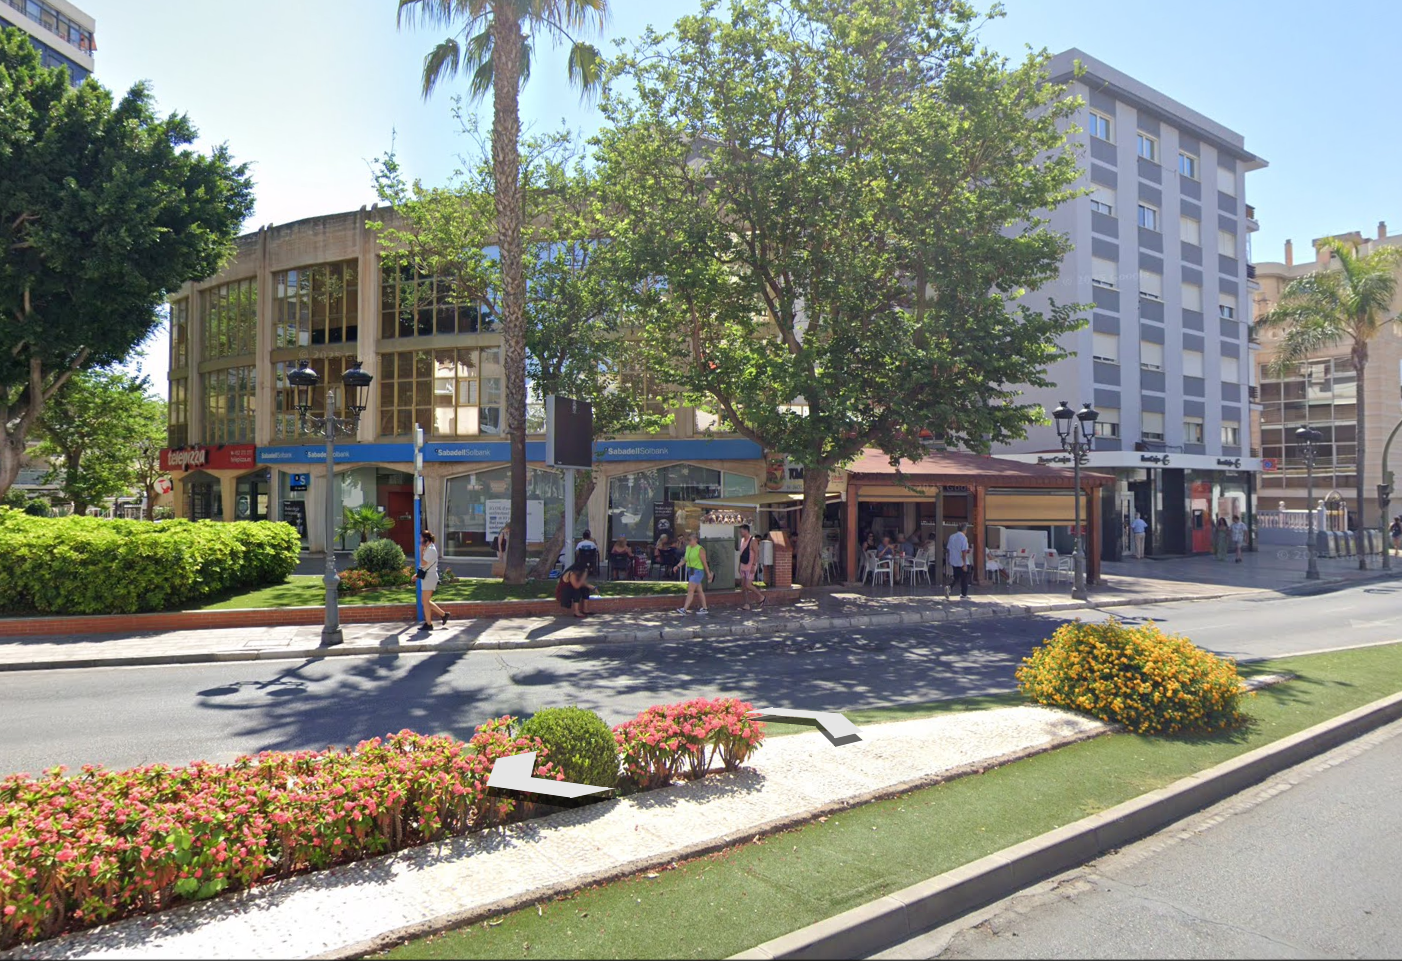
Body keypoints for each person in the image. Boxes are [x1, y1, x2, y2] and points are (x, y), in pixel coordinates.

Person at [675, 531, 713, 615]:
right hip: (690, 571)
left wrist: (708, 573)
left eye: (690, 540)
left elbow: (704, 562)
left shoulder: (700, 549)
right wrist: (677, 566)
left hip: (698, 571)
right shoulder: (688, 547)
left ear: (695, 540)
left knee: (690, 589)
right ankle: (704, 608)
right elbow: (685, 559)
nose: (689, 542)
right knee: (699, 590)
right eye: (688, 540)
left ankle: (684, 609)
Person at [417, 530, 448, 630]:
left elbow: (423, 563)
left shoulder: (430, 549)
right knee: (425, 601)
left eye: (421, 538)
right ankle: (443, 615)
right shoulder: (429, 548)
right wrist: (417, 575)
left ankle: (429, 624)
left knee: (425, 601)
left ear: (426, 539)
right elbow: (427, 566)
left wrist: (421, 551)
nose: (420, 540)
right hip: (428, 576)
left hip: (430, 577)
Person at [737, 524, 764, 611]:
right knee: (743, 586)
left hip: (750, 566)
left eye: (741, 531)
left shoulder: (753, 540)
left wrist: (753, 565)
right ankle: (746, 604)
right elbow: (741, 554)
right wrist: (739, 565)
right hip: (743, 566)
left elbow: (757, 553)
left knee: (748, 585)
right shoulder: (742, 540)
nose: (740, 533)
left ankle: (761, 596)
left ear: (746, 530)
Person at [946, 523, 971, 599]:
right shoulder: (963, 538)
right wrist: (964, 564)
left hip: (954, 560)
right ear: (965, 530)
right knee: (965, 578)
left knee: (956, 577)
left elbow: (949, 549)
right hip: (961, 561)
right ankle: (963, 594)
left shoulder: (951, 537)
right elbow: (963, 551)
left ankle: (949, 587)